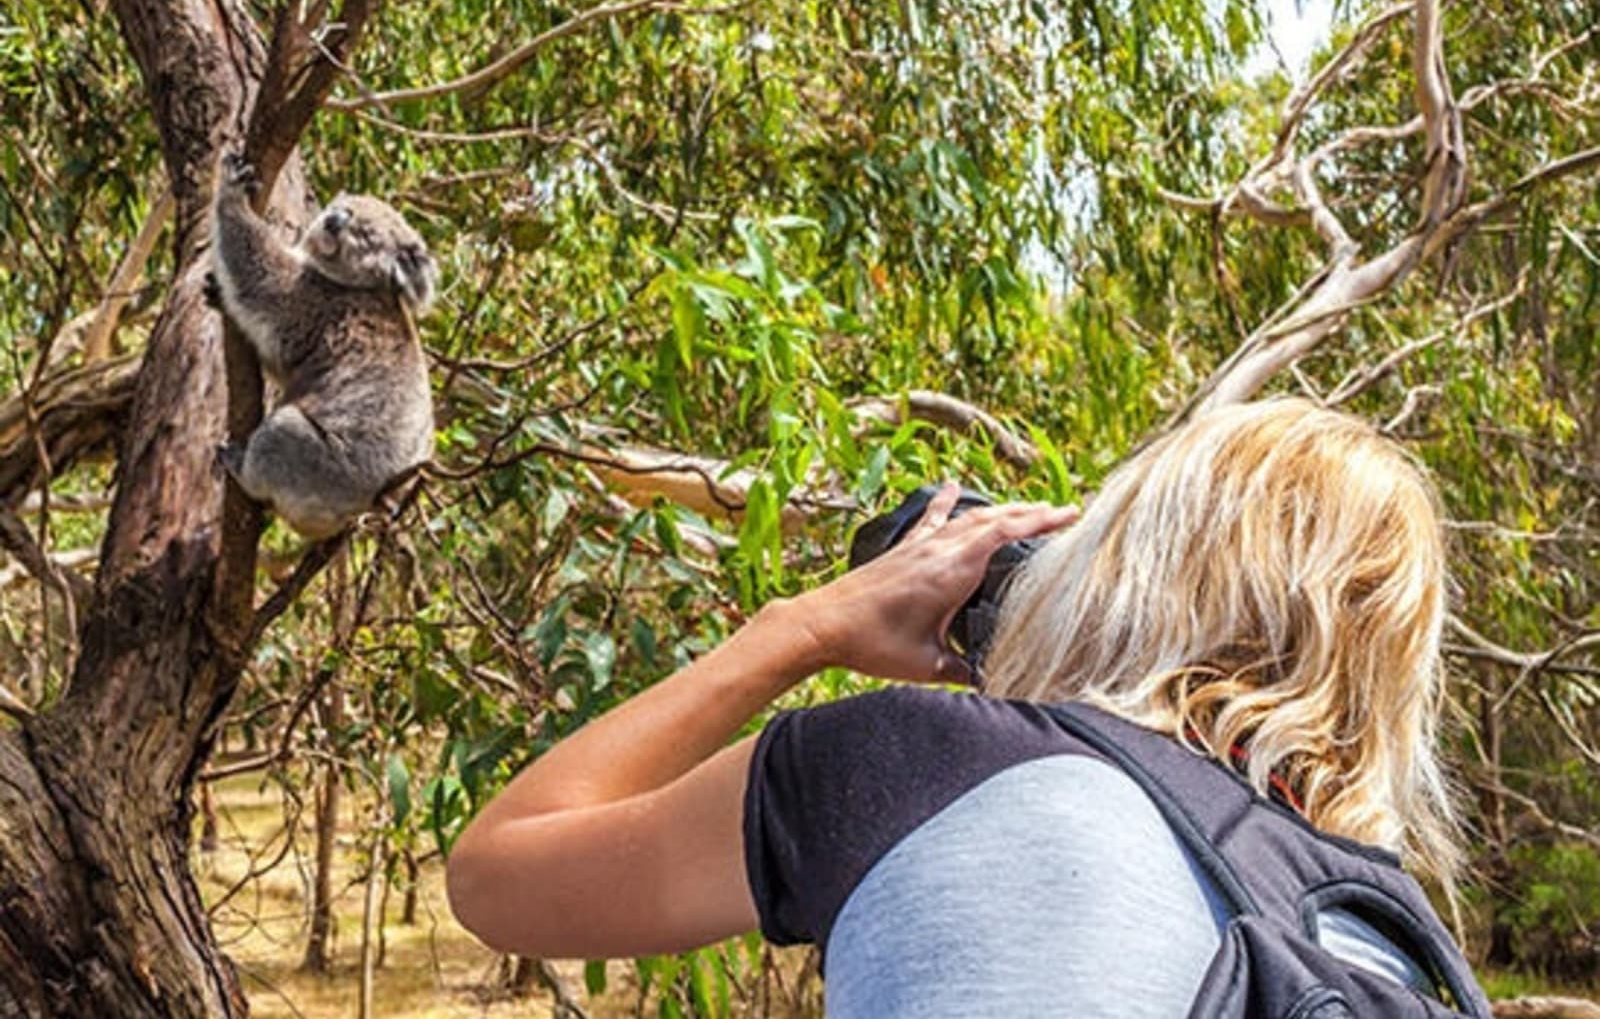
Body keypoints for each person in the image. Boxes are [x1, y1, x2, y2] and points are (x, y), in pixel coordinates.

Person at [447, 398, 1470, 1016]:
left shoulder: (926, 761)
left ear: (1131, 561)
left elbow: (502, 877)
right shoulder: (1400, 937)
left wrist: (807, 627)